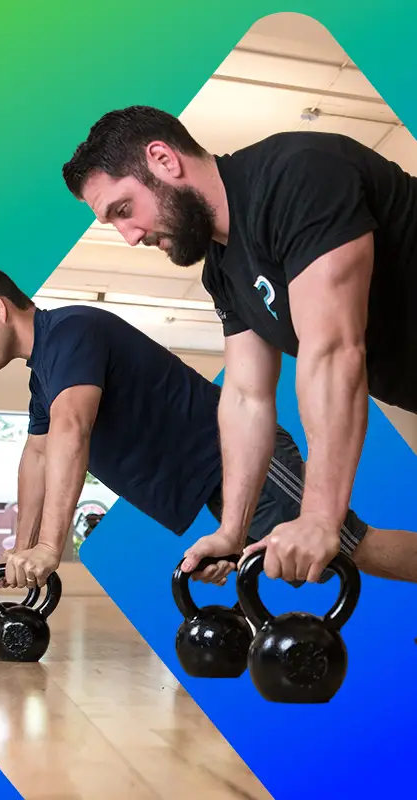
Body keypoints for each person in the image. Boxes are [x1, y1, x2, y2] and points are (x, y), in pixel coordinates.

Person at [62, 105, 417, 585]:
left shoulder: (297, 175)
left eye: (124, 210)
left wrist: (318, 516)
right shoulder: (223, 270)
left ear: (163, 159)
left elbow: (333, 350)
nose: (130, 236)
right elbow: (246, 397)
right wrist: (233, 528)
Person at [0, 264, 417, 591]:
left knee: (356, 549)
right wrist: (21, 550)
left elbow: (70, 432)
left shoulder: (72, 334)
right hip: (218, 484)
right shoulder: (44, 378)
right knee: (306, 569)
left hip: (246, 461)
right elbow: (36, 458)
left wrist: (49, 548)